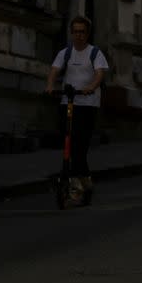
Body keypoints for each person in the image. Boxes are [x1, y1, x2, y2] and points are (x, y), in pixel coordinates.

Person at [46, 15, 109, 201]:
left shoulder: (95, 53)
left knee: (80, 147)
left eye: (82, 32)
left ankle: (81, 181)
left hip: (87, 105)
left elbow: (99, 74)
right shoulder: (65, 53)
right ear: (71, 33)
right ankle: (79, 180)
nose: (78, 35)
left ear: (87, 33)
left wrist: (91, 87)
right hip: (68, 103)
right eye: (75, 32)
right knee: (68, 142)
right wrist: (50, 85)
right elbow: (54, 71)